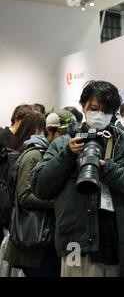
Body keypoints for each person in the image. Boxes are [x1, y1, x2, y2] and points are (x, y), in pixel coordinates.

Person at [31, 80, 124, 277]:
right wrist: (67, 154)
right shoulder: (65, 142)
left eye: (107, 110)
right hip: (77, 243)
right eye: (94, 108)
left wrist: (107, 168)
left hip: (117, 240)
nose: (100, 114)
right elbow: (40, 186)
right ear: (83, 106)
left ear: (114, 112)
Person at [3, 110, 74, 277]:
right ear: (49, 130)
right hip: (34, 238)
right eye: (62, 134)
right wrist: (58, 201)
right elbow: (25, 195)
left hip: (47, 238)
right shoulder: (34, 155)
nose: (66, 139)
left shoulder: (56, 156)